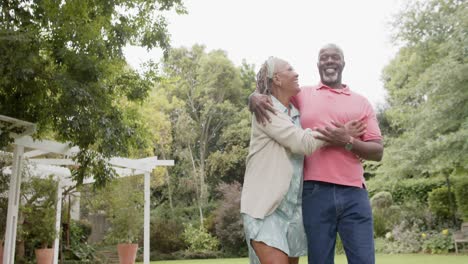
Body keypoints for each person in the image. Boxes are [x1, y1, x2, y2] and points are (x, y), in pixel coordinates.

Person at [249, 44, 384, 264]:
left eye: (335, 57)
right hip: (314, 193)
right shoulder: (303, 95)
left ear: (343, 63)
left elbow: (377, 151)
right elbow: (271, 90)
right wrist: (253, 97)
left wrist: (348, 141)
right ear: (318, 64)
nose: (330, 61)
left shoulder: (361, 102)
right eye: (324, 58)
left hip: (354, 194)